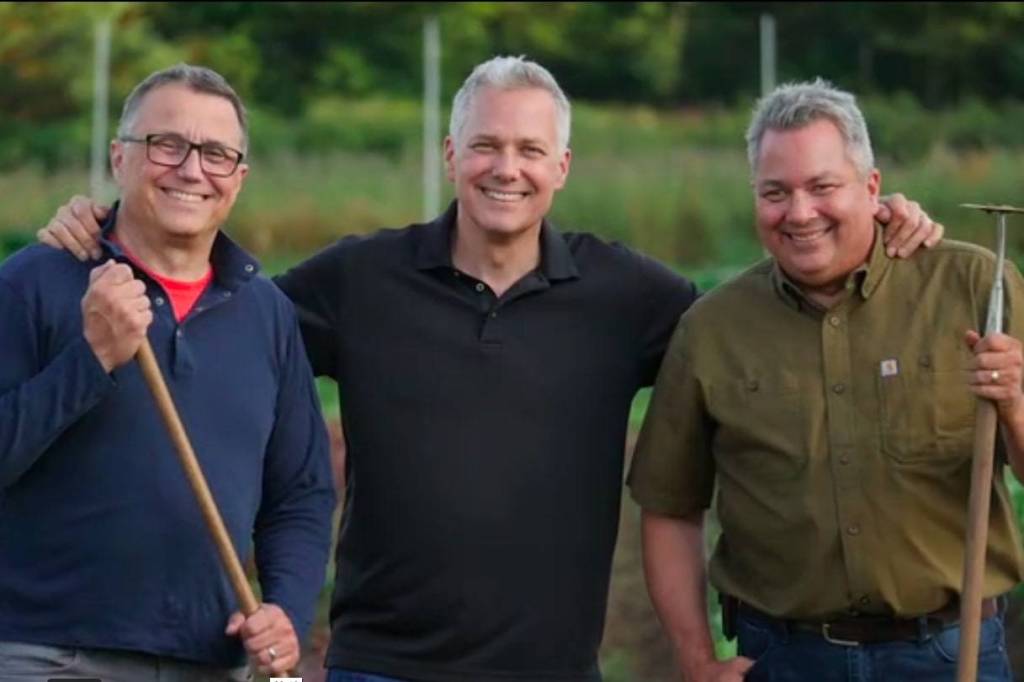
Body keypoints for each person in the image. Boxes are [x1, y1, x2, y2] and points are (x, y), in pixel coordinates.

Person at [37, 58, 942, 682]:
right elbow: (215, 319)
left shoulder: (630, 296)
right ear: (450, 155)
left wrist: (878, 230)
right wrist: (105, 233)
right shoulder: (360, 280)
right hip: (379, 665)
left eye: (530, 151)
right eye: (485, 146)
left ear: (562, 168)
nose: (506, 169)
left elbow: (765, 328)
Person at [628, 78, 1024, 682]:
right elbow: (670, 507)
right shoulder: (712, 329)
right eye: (775, 192)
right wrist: (695, 659)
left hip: (950, 653)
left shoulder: (974, 287)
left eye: (822, 187)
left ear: (871, 187)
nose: (799, 212)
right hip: (782, 658)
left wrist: (1016, 405)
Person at [0, 64, 336, 681]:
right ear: (119, 157)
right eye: (167, 144)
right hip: (48, 654)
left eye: (216, 153)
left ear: (239, 178)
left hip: (207, 660)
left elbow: (300, 492)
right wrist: (91, 359)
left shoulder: (265, 312)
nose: (191, 169)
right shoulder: (32, 284)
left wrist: (286, 610)